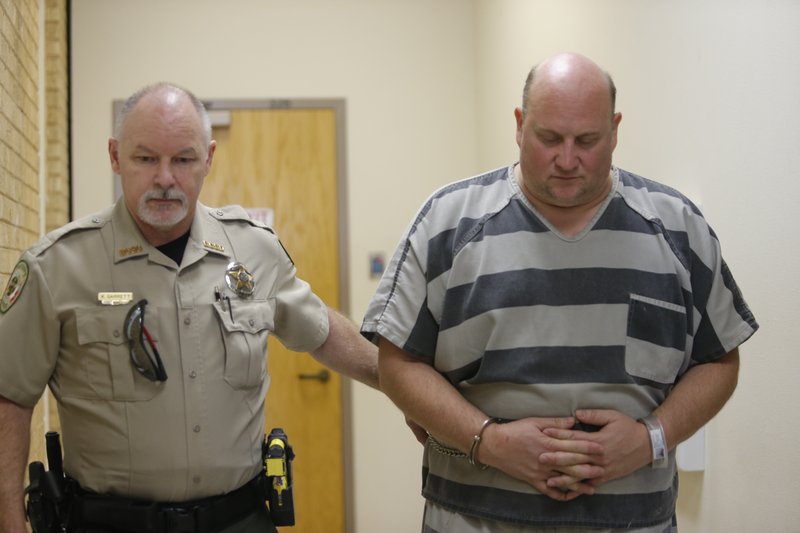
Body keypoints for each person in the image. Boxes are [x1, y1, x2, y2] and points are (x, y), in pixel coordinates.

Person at [361, 52, 758, 532]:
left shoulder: (677, 229)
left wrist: (651, 438)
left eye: (587, 141)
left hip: (634, 521)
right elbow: (398, 361)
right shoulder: (448, 223)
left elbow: (719, 361)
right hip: (472, 519)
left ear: (615, 130)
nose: (568, 160)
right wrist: (488, 442)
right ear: (519, 124)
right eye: (549, 138)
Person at [0, 82, 379, 533]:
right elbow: (11, 397)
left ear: (209, 160)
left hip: (240, 519)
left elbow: (322, 332)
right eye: (146, 158)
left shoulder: (253, 250)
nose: (165, 178)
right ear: (116, 156)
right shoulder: (57, 267)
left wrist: (404, 389)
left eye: (183, 159)